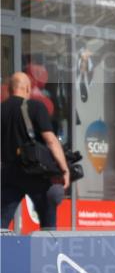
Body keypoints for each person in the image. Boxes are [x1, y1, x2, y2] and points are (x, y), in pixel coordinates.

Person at [2, 72, 69, 230]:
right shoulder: (35, 107)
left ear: (10, 89)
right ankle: (48, 252)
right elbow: (51, 140)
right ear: (26, 88)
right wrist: (64, 169)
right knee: (48, 222)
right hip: (35, 174)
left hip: (8, 174)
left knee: (2, 221)